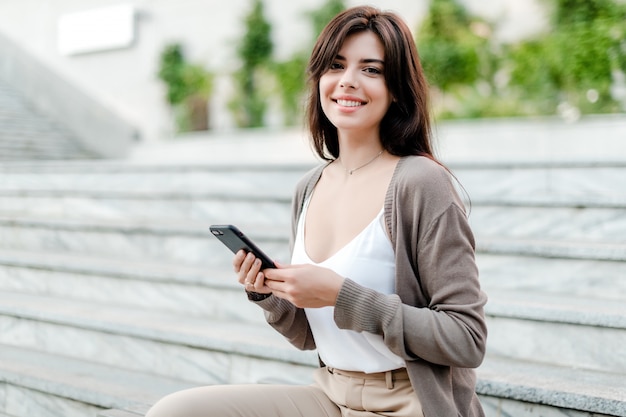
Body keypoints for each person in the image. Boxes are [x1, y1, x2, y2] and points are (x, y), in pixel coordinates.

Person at [146, 5, 487, 417]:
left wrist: (344, 296)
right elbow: (310, 336)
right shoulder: (309, 187)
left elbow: (466, 339)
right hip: (331, 395)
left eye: (371, 69)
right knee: (177, 411)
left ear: (396, 87)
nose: (348, 81)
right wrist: (269, 294)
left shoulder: (420, 182)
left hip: (409, 401)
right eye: (336, 65)